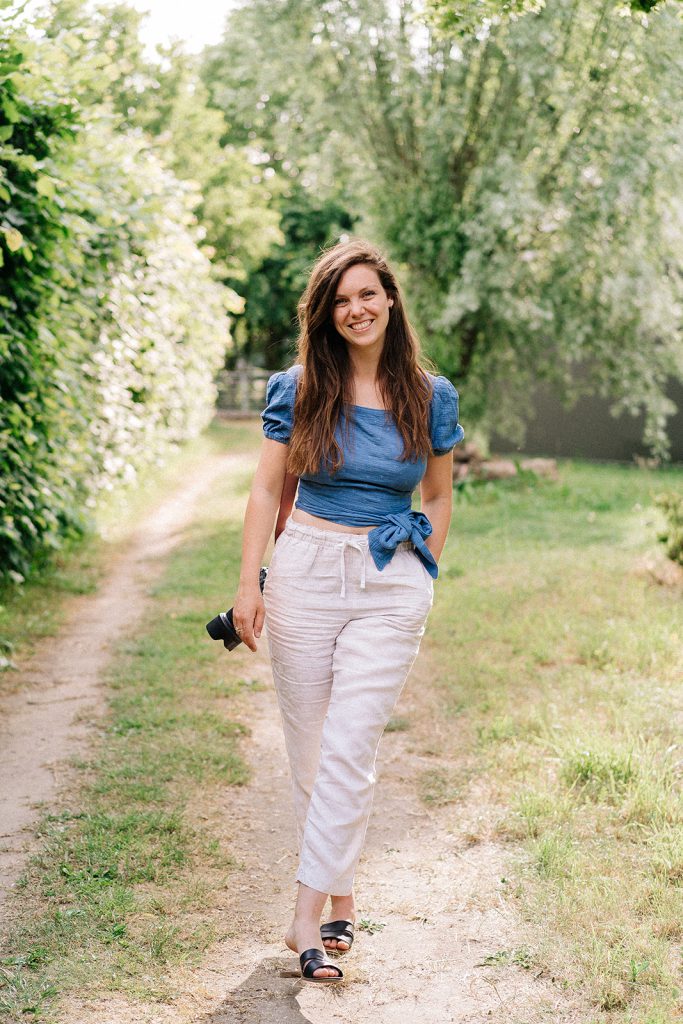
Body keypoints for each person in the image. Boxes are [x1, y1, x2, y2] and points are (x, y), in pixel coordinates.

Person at [232, 238, 463, 983]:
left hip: (390, 580)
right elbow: (266, 490)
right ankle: (341, 893)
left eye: (366, 294)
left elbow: (436, 494)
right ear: (326, 315)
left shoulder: (431, 396)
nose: (355, 309)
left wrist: (422, 560)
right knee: (310, 748)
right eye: (340, 300)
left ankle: (303, 913)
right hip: (304, 566)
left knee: (349, 745)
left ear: (390, 299)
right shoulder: (300, 386)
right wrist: (249, 585)